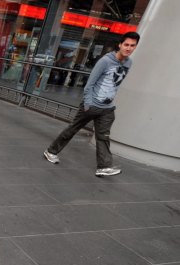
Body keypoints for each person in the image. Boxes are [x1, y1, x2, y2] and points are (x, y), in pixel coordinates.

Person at [43, 31, 140, 177]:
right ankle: (51, 151)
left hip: (107, 108)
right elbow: (89, 85)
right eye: (126, 44)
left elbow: (114, 84)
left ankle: (104, 166)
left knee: (103, 137)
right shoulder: (105, 61)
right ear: (120, 45)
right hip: (92, 105)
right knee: (72, 129)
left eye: (132, 45)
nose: (129, 48)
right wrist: (88, 104)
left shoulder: (128, 63)